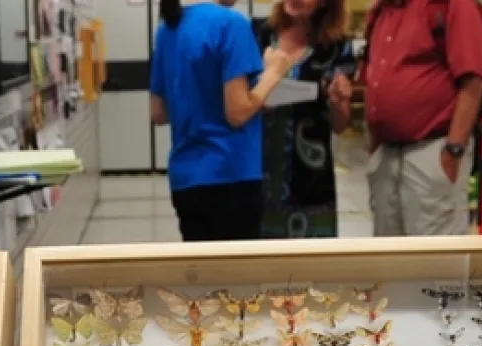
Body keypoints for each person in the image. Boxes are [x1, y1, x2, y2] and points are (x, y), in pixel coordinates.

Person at [150, 0, 294, 241]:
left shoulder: (168, 28)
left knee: (202, 261)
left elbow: (158, 112)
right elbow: (237, 113)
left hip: (186, 179)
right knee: (235, 264)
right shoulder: (232, 24)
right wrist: (273, 73)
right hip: (231, 175)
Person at [363, 0, 482, 236]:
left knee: (435, 255)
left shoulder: (452, 5)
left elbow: (474, 81)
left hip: (433, 151)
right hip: (387, 155)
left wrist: (453, 151)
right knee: (388, 254)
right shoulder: (382, 11)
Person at [257, 0, 355, 238]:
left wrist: (339, 101)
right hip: (258, 175)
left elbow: (340, 124)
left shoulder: (336, 46)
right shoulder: (259, 35)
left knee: (311, 257)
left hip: (311, 182)